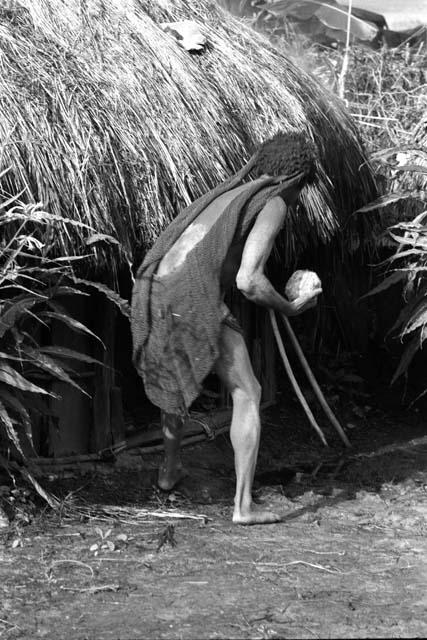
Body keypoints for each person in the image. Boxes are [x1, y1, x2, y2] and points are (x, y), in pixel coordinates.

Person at [131, 131, 322, 525]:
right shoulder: (272, 203)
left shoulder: (229, 194)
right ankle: (243, 507)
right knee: (248, 390)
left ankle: (168, 473)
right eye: (302, 189)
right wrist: (290, 306)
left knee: (174, 385)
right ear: (294, 179)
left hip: (154, 289)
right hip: (190, 295)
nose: (299, 198)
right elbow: (249, 281)